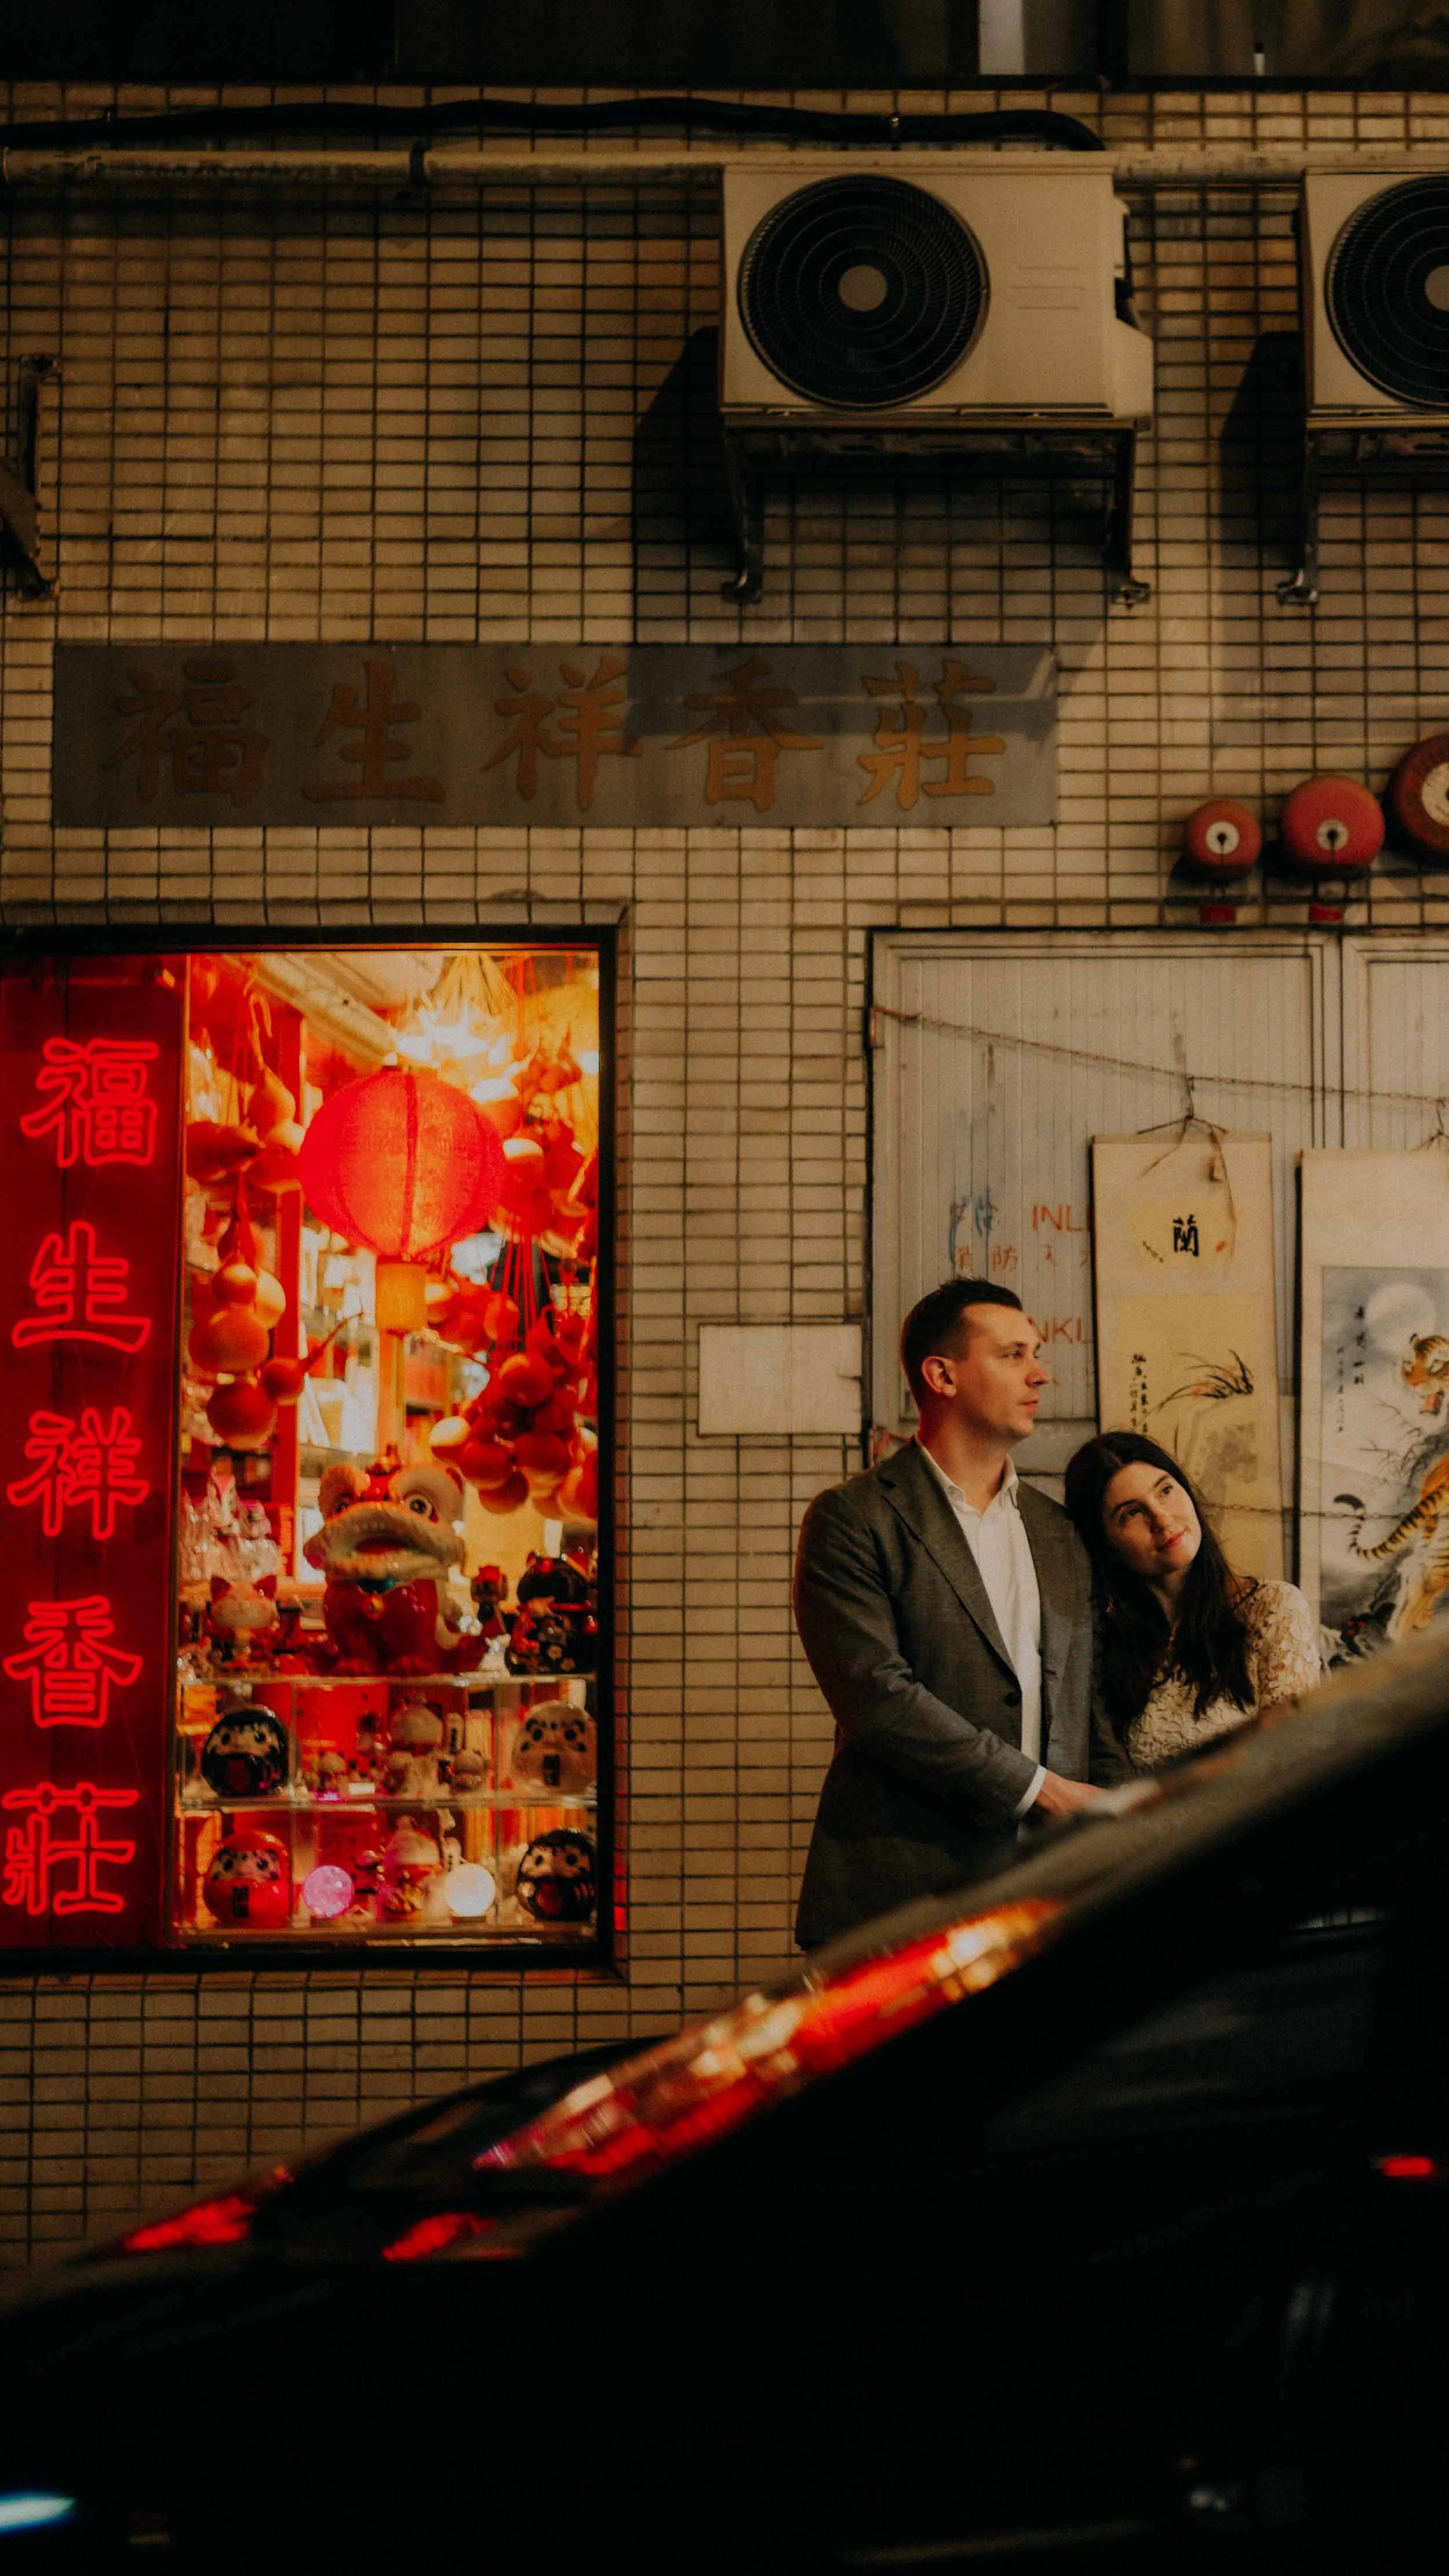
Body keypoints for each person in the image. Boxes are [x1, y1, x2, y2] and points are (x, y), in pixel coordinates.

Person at [793, 1280, 1129, 1950]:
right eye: (1012, 1354)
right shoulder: (854, 1517)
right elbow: (879, 1700)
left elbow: (1082, 1705)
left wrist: (1123, 1820)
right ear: (941, 1373)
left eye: (1035, 1353)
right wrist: (1044, 1790)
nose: (1040, 1373)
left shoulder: (1057, 1531)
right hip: (902, 1895)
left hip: (1046, 1895)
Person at [1062, 1430, 1320, 1772]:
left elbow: (1294, 1763)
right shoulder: (1104, 1640)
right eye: (1132, 1513)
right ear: (1106, 1544)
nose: (1162, 1519)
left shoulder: (1272, 1607)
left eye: (1166, 1491)